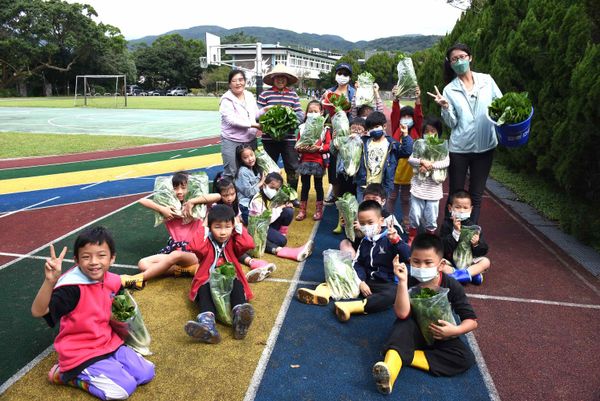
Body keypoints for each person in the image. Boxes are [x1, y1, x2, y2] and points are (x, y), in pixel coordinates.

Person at [31, 227, 155, 399]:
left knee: (147, 373)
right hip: (81, 352)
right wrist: (49, 281)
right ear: (77, 260)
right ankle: (66, 376)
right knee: (122, 390)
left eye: (101, 255)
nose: (94, 262)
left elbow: (116, 309)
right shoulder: (72, 288)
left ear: (112, 258)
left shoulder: (113, 280)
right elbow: (39, 311)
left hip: (109, 342)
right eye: (86, 257)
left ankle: (109, 364)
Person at [372, 233, 478, 395]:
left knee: (465, 358)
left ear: (441, 264)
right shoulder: (409, 279)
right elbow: (402, 313)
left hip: (440, 331)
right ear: (410, 261)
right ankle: (390, 373)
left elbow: (471, 320)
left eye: (428, 263)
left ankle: (404, 356)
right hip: (413, 328)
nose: (421, 267)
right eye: (416, 262)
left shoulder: (452, 285)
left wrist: (454, 331)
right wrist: (401, 282)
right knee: (400, 330)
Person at [428, 43, 502, 224]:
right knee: (455, 192)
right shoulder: (449, 89)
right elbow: (452, 123)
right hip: (460, 148)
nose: (459, 61)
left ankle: (469, 235)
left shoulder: (487, 81)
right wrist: (445, 107)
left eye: (462, 57)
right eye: (454, 59)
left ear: (470, 58)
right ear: (450, 64)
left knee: (476, 195)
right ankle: (449, 232)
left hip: (485, 147)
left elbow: (501, 104)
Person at [121, 171, 220, 289]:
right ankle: (186, 270)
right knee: (143, 263)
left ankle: (138, 279)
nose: (179, 191)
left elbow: (218, 196)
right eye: (175, 188)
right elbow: (142, 200)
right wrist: (162, 209)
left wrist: (192, 202)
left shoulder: (199, 207)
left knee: (175, 255)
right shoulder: (168, 207)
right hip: (176, 250)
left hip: (195, 252)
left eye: (184, 188)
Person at [184, 205, 256, 343]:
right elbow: (195, 247)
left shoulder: (233, 240)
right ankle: (207, 324)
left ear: (232, 226)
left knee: (236, 283)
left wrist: (238, 224)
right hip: (209, 280)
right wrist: (204, 225)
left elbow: (248, 244)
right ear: (210, 227)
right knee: (204, 288)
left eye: (227, 227)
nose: (223, 232)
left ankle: (239, 318)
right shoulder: (207, 241)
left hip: (229, 282)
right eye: (217, 227)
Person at [330, 201, 410, 320]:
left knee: (394, 293)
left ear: (381, 221)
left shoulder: (390, 238)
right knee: (340, 275)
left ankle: (352, 307)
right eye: (362, 223)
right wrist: (361, 282)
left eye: (370, 222)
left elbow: (407, 256)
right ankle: (322, 293)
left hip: (385, 283)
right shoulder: (365, 241)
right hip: (367, 281)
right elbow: (358, 263)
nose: (366, 226)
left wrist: (397, 241)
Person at [212, 173, 277, 283]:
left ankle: (276, 249)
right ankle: (251, 262)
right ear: (218, 195)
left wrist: (242, 232)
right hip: (221, 237)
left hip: (233, 232)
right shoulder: (214, 207)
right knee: (231, 246)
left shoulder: (233, 204)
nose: (229, 198)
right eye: (225, 195)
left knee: (250, 238)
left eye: (232, 194)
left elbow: (237, 219)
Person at [257, 64, 304, 202]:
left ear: (287, 79)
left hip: (288, 139)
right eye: (277, 77)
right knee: (268, 167)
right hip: (268, 139)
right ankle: (268, 194)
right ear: (273, 79)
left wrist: (291, 121)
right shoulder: (265, 94)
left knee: (293, 168)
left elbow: (300, 113)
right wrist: (269, 121)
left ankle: (292, 195)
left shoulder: (293, 95)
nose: (280, 80)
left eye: (283, 77)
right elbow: (257, 114)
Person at [249, 172, 314, 261]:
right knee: (281, 241)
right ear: (264, 185)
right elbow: (267, 220)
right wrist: (281, 207)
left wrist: (285, 204)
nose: (274, 191)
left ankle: (278, 236)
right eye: (272, 187)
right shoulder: (257, 200)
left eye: (277, 189)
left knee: (288, 211)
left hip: (268, 225)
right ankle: (286, 251)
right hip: (259, 229)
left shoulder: (273, 196)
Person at [406, 121, 450, 243]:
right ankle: (412, 236)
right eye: (426, 132)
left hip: (433, 190)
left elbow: (446, 162)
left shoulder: (442, 146)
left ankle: (430, 237)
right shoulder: (419, 144)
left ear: (438, 132)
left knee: (431, 216)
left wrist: (430, 165)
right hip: (418, 188)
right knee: (414, 213)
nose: (429, 134)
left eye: (433, 131)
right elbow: (411, 159)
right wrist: (421, 162)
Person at [355, 111, 413, 202]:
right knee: (363, 211)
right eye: (371, 128)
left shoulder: (392, 144)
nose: (374, 130)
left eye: (377, 127)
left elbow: (407, 151)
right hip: (363, 187)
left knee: (378, 213)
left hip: (382, 188)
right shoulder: (363, 142)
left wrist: (405, 135)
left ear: (384, 126)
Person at [339, 183, 404, 260]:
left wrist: (363, 228)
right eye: (367, 199)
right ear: (363, 200)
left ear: (383, 201)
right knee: (344, 243)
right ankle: (353, 263)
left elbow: (398, 234)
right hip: (361, 246)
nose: (371, 202)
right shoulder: (359, 214)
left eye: (375, 199)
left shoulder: (388, 217)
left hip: (379, 249)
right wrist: (347, 225)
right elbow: (352, 238)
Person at [322, 63, 356, 205]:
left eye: (345, 74)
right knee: (335, 166)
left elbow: (357, 112)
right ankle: (335, 195)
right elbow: (324, 114)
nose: (342, 76)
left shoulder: (354, 93)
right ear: (335, 75)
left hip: (351, 135)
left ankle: (350, 195)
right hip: (335, 135)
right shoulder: (328, 92)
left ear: (350, 77)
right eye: (340, 73)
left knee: (349, 164)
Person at [388, 87, 423, 222]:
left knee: (405, 197)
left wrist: (417, 99)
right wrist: (396, 98)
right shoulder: (397, 128)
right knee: (392, 196)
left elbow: (419, 116)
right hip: (395, 168)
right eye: (404, 117)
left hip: (410, 170)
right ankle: (388, 218)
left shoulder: (416, 131)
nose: (406, 119)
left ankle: (406, 219)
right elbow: (395, 113)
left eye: (409, 117)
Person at [440, 190, 490, 284]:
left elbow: (483, 250)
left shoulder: (474, 227)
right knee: (436, 264)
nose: (462, 210)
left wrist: (476, 244)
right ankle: (472, 275)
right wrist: (456, 231)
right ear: (450, 208)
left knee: (486, 262)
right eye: (458, 207)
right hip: (451, 263)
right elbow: (443, 247)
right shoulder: (446, 225)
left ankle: (465, 274)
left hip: (468, 262)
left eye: (465, 208)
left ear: (471, 210)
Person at [219, 69, 263, 178]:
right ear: (229, 84)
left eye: (241, 79)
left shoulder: (249, 95)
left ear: (245, 81)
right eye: (234, 81)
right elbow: (232, 120)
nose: (238, 83)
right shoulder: (226, 100)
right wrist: (254, 125)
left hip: (250, 140)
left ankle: (249, 194)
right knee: (232, 172)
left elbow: (255, 114)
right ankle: (231, 195)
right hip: (232, 141)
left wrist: (266, 110)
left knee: (252, 171)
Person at [295, 100, 332, 221]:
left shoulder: (324, 129)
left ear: (321, 112)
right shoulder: (302, 128)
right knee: (305, 186)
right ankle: (302, 210)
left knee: (318, 186)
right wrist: (300, 148)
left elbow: (328, 145)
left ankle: (318, 209)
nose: (312, 113)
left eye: (315, 111)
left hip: (318, 161)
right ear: (306, 113)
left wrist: (319, 148)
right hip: (305, 161)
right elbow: (298, 144)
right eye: (310, 111)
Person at [234, 144, 264, 224]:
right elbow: (249, 193)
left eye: (251, 155)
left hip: (256, 202)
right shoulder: (242, 172)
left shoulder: (255, 168)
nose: (250, 159)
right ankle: (242, 218)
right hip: (246, 206)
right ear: (241, 160)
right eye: (245, 157)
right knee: (259, 223)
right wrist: (261, 182)